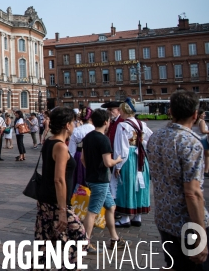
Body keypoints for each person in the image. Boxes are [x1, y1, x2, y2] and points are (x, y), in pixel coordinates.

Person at [148, 91, 209, 270]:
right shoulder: (190, 142)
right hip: (186, 221)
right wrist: (200, 235)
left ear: (171, 111)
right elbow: (193, 193)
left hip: (164, 218)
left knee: (174, 264)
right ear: (195, 115)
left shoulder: (155, 137)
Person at [35, 107, 87, 266]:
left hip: (45, 200)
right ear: (67, 125)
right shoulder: (60, 147)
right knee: (79, 236)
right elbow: (59, 179)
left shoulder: (49, 141)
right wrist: (63, 210)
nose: (75, 125)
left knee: (45, 242)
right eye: (73, 122)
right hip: (55, 203)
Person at [81, 109, 125, 253]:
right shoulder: (103, 139)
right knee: (93, 212)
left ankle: (114, 239)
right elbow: (107, 162)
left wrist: (91, 168)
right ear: (106, 122)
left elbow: (82, 159)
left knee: (111, 207)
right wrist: (118, 160)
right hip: (100, 180)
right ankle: (85, 243)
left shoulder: (88, 137)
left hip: (92, 178)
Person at [112, 100, 152, 228]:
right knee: (140, 185)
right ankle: (138, 216)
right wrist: (141, 145)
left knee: (126, 185)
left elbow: (121, 147)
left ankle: (125, 218)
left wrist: (118, 165)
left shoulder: (122, 126)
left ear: (123, 111)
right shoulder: (142, 124)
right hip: (141, 157)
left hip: (129, 158)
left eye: (120, 110)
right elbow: (150, 139)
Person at [68, 107, 94, 190]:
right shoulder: (95, 129)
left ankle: (79, 198)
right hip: (93, 155)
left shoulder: (76, 131)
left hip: (79, 156)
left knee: (79, 179)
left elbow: (71, 150)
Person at [191, 110, 209, 177]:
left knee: (196, 155)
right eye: (203, 114)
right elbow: (203, 131)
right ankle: (206, 170)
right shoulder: (201, 121)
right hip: (203, 139)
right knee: (207, 155)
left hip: (195, 139)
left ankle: (196, 169)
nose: (205, 115)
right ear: (200, 115)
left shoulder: (193, 121)